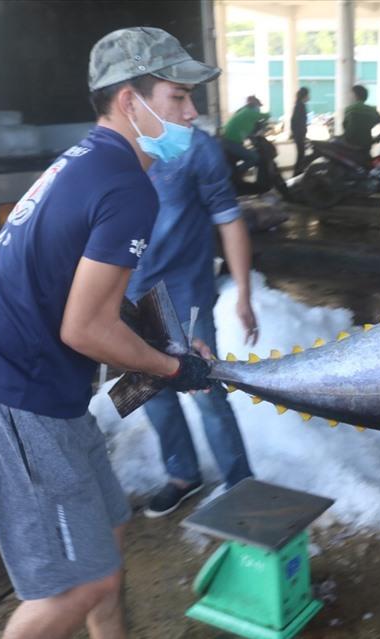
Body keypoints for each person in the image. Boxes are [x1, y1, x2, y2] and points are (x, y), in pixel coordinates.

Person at [0, 27, 219, 639]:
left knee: (109, 535)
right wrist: (172, 371)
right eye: (178, 98)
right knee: (80, 585)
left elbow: (86, 293)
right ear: (131, 101)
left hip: (40, 394)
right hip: (15, 402)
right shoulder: (127, 184)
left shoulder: (90, 160)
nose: (192, 113)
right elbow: (84, 327)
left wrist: (166, 344)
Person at [127, 120, 258, 518]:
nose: (191, 109)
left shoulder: (196, 147)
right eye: (178, 95)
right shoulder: (116, 144)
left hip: (184, 294)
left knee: (205, 391)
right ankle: (182, 474)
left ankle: (241, 483)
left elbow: (230, 220)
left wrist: (244, 296)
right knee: (148, 392)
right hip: (132, 295)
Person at [222, 95, 269, 173]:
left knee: (250, 153)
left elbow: (249, 133)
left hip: (228, 141)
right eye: (258, 107)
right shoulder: (250, 113)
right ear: (255, 106)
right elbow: (267, 115)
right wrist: (264, 123)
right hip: (231, 143)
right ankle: (234, 175)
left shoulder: (243, 112)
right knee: (254, 157)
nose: (259, 109)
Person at [343, 84, 380, 158]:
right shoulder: (372, 110)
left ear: (355, 95)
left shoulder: (350, 109)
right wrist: (376, 139)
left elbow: (345, 127)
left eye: (350, 94)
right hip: (366, 145)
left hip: (349, 146)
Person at [291, 87, 309, 175]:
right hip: (299, 134)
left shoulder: (299, 105)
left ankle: (298, 172)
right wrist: (299, 134)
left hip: (299, 134)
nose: (309, 97)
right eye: (308, 95)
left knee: (301, 154)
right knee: (301, 155)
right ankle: (297, 173)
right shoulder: (300, 106)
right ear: (304, 96)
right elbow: (295, 121)